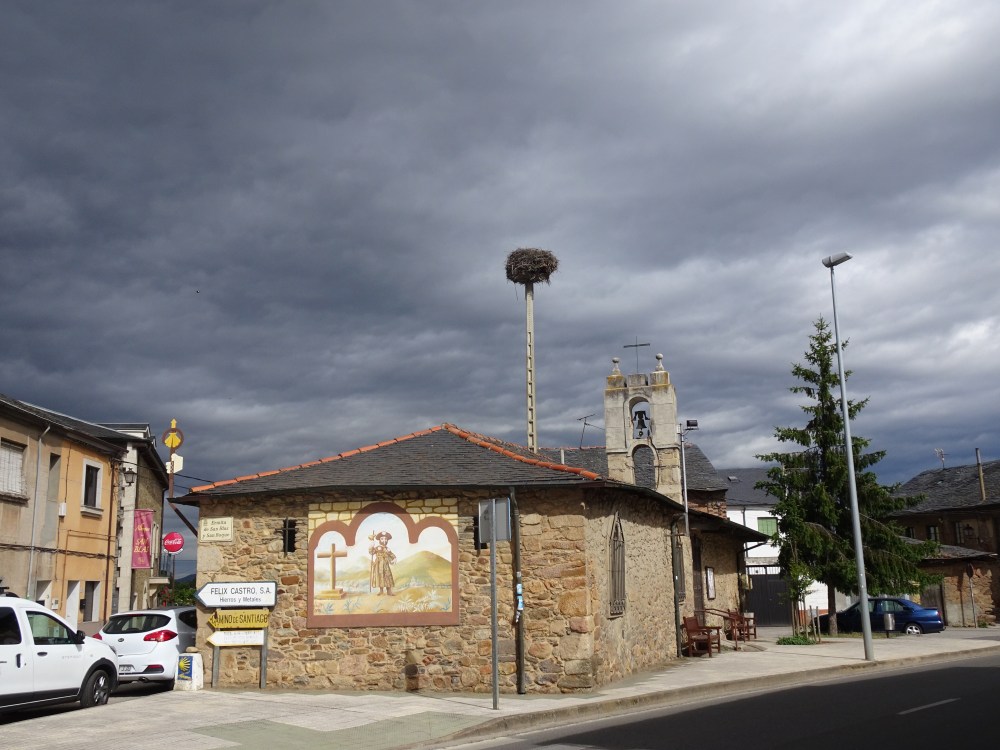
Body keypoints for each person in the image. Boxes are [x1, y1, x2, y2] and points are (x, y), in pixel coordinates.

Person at [368, 531, 396, 595]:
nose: (384, 540)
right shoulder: (378, 548)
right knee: (380, 576)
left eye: (386, 539)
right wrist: (371, 545)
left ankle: (389, 591)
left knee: (387, 576)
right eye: (382, 539)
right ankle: (381, 591)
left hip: (385, 564)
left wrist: (394, 558)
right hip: (378, 564)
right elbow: (371, 552)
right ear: (379, 540)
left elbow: (391, 554)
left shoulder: (387, 548)